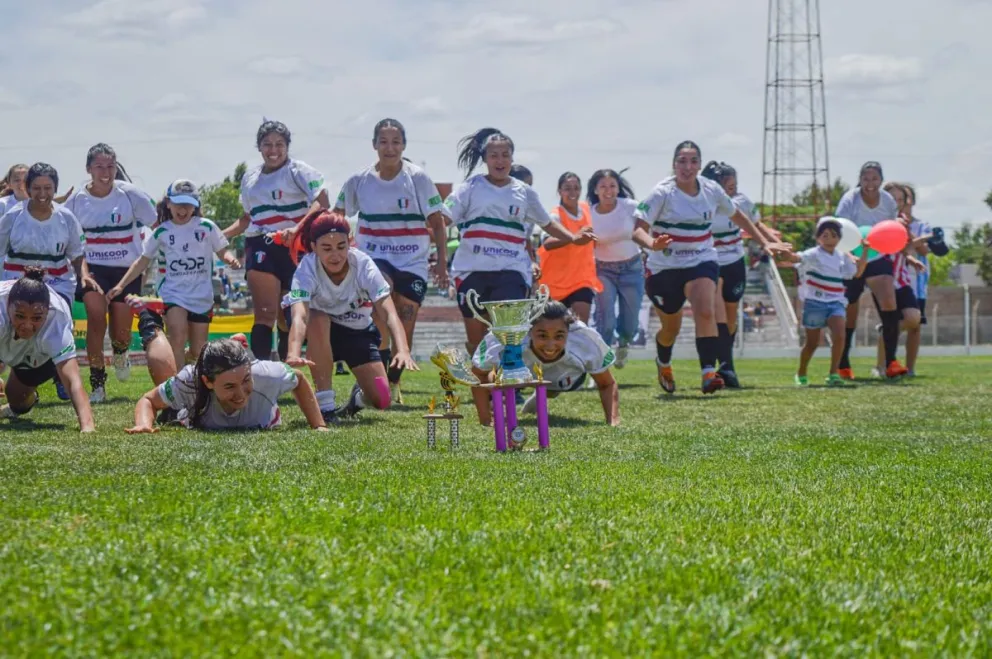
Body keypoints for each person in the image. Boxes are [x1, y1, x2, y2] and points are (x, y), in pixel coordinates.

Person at [633, 141, 788, 394]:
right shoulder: (661, 193)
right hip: (664, 266)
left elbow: (738, 215)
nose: (688, 166)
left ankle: (708, 373)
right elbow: (638, 228)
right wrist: (652, 243)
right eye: (682, 161)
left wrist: (765, 244)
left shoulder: (711, 189)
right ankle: (663, 361)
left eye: (693, 161)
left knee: (705, 311)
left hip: (701, 259)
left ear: (700, 165)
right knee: (670, 329)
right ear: (674, 164)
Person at [334, 119, 449, 404]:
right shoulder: (358, 180)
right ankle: (379, 384)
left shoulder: (418, 178)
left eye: (396, 141)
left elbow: (437, 222)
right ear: (374, 145)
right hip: (376, 256)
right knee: (382, 314)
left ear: (404, 146)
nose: (389, 147)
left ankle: (392, 381)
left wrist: (443, 263)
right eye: (383, 141)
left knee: (405, 325)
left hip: (413, 260)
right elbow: (336, 216)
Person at [446, 127, 576, 356]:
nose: (500, 160)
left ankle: (511, 385)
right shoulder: (469, 188)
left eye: (505, 155)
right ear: (485, 159)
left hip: (511, 270)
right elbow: (444, 218)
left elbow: (546, 223)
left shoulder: (524, 192)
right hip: (471, 271)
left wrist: (574, 238)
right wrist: (426, 222)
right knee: (477, 342)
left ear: (512, 158)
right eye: (494, 155)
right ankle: (483, 384)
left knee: (508, 335)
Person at [284, 210, 418, 423]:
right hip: (318, 327)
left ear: (350, 242)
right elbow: (300, 315)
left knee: (382, 399)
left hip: (356, 329)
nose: (335, 255)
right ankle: (325, 407)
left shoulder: (363, 264)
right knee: (318, 317)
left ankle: (357, 399)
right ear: (313, 247)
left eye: (341, 246)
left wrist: (402, 350)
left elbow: (389, 312)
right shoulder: (307, 267)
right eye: (326, 249)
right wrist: (293, 352)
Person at [107, 180, 241, 373]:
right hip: (173, 294)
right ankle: (178, 387)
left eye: (188, 204)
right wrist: (121, 285)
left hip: (201, 296)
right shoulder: (162, 231)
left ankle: (187, 362)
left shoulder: (207, 227)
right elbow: (142, 262)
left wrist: (229, 259)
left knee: (198, 351)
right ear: (168, 204)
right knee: (177, 336)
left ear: (196, 205)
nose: (183, 209)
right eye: (178, 203)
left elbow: (222, 251)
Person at [223, 119, 330, 361]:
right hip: (263, 245)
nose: (273, 150)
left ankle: (287, 370)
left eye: (279, 144)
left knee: (290, 315)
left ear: (287, 146)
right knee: (265, 313)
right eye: (267, 144)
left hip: (296, 247)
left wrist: (297, 229)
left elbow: (322, 202)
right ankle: (259, 374)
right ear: (259, 147)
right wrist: (222, 235)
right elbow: (247, 218)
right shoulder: (250, 178)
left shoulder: (299, 171)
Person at [63, 143, 158, 402]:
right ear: (88, 169)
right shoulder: (77, 200)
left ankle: (120, 352)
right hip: (92, 268)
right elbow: (71, 240)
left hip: (126, 270)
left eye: (110, 166)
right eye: (99, 166)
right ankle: (97, 385)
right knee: (96, 319)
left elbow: (157, 225)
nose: (105, 172)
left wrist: (148, 261)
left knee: (121, 332)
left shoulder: (130, 194)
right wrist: (82, 272)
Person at [127, 313, 327, 432]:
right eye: (230, 386)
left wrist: (319, 425)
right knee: (170, 407)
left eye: (246, 380)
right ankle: (151, 326)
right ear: (207, 381)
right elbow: (148, 400)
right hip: (186, 407)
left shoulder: (266, 375)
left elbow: (299, 379)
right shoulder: (190, 380)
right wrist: (143, 424)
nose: (240, 394)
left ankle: (236, 344)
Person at [0, 163, 98, 400]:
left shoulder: (66, 217)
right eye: (36, 188)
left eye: (48, 188)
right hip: (15, 287)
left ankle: (60, 376)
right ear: (27, 188)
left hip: (57, 286)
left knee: (50, 328)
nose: (42, 194)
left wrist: (84, 275)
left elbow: (77, 254)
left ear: (55, 189)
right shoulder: (12, 217)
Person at [471, 300, 619, 426]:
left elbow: (606, 383)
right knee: (498, 375)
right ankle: (504, 396)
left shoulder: (584, 339)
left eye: (559, 336)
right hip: (519, 376)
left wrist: (613, 421)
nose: (550, 345)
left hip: (567, 378)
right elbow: (478, 374)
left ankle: (544, 393)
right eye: (542, 335)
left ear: (569, 331)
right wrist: (485, 420)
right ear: (528, 331)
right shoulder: (510, 334)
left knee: (551, 389)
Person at [700, 161, 776, 388]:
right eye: (727, 188)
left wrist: (776, 243)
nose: (731, 192)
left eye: (734, 187)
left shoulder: (741, 201)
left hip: (734, 261)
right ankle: (725, 366)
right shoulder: (700, 203)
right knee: (718, 311)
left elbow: (756, 224)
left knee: (731, 315)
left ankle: (725, 360)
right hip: (709, 261)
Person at [834, 161, 905, 380]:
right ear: (860, 179)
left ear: (881, 180)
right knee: (850, 311)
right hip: (853, 257)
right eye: (866, 179)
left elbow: (891, 230)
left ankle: (891, 361)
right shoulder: (850, 199)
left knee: (889, 303)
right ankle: (843, 363)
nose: (870, 184)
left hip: (877, 256)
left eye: (874, 179)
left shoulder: (887, 201)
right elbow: (838, 229)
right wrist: (849, 255)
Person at [0, 269, 95, 431]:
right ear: (8, 305)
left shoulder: (57, 320)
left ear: (47, 310)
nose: (28, 326)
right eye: (20, 316)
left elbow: (73, 380)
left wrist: (88, 427)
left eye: (36, 318)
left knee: (17, 401)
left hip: (38, 354)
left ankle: (29, 396)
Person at [786, 218, 868, 386]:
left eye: (834, 236)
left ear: (839, 239)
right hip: (815, 302)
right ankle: (801, 372)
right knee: (812, 343)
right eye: (825, 235)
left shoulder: (843, 256)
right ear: (818, 238)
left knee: (840, 335)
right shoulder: (813, 254)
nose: (829, 239)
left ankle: (833, 374)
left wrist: (865, 250)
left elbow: (857, 273)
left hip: (836, 302)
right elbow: (796, 258)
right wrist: (786, 253)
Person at [586, 168, 643, 369]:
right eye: (603, 186)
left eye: (612, 186)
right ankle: (600, 365)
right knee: (605, 320)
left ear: (618, 188)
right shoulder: (589, 214)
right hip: (603, 270)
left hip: (632, 268)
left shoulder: (630, 207)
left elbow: (646, 223)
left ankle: (624, 343)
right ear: (595, 190)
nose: (608, 190)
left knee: (630, 324)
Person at [536, 172, 600, 323]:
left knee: (580, 325)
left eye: (576, 188)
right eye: (567, 188)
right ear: (560, 191)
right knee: (555, 325)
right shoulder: (555, 215)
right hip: (555, 282)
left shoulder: (586, 209)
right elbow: (547, 243)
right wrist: (573, 237)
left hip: (581, 279)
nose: (573, 192)